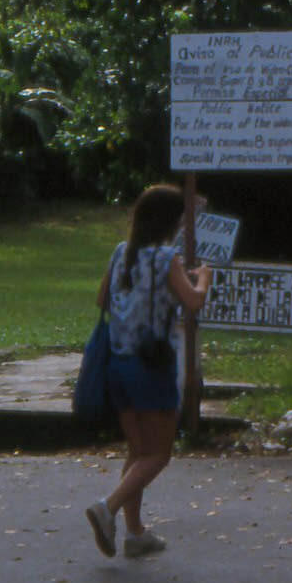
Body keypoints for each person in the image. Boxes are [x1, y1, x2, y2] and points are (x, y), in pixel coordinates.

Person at [85, 185, 212, 559]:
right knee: (159, 454)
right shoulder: (166, 258)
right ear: (169, 221)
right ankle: (107, 507)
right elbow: (193, 301)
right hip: (151, 365)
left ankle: (135, 532)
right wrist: (203, 277)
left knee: (138, 450)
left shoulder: (121, 252)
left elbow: (102, 299)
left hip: (118, 363)